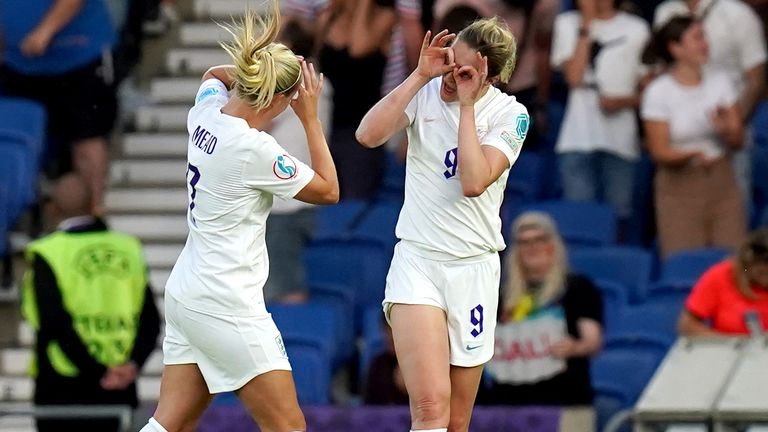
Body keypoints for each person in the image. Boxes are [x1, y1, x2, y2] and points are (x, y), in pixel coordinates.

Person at [137, 1, 339, 431]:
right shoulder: (253, 149)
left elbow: (213, 75)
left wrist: (256, 72)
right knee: (288, 427)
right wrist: (310, 118)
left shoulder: (205, 116)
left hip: (188, 292)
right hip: (226, 302)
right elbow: (329, 189)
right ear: (282, 99)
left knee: (169, 423)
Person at [356, 16, 528, 431]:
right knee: (431, 406)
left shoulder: (511, 114)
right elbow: (368, 135)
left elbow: (473, 181)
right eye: (450, 63)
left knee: (456, 420)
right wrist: (418, 75)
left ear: (490, 73)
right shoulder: (426, 90)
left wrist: (467, 106)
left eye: (465, 71)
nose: (451, 76)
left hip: (474, 269)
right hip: (419, 260)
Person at [21, 173, 161, 432]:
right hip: (120, 389)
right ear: (93, 203)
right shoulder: (128, 248)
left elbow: (54, 323)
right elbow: (150, 320)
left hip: (62, 392)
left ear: (52, 208)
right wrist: (130, 366)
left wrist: (98, 372)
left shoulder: (48, 252)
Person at [481, 211, 603, 432]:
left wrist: (575, 347)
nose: (532, 248)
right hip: (506, 409)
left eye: (540, 240)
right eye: (524, 243)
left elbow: (592, 340)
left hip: (563, 406)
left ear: (554, 245)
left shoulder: (577, 288)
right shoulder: (500, 296)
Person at [641, 16, 746, 258]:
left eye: (704, 37)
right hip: (679, 188)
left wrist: (725, 130)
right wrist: (693, 155)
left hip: (722, 182)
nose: (705, 44)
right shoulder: (659, 92)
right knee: (684, 262)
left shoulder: (721, 82)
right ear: (675, 48)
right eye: (697, 38)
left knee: (733, 263)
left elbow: (737, 141)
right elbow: (659, 151)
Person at [0, 0, 118, 214]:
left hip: (78, 55)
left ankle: (94, 210)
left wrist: (45, 30)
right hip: (17, 61)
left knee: (87, 138)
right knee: (14, 139)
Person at [653, 0, 767, 215]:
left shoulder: (737, 14)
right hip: (678, 142)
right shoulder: (665, 11)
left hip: (730, 142)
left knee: (733, 217)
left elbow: (756, 80)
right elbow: (662, 68)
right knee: (683, 219)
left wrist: (732, 126)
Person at [550, 0, 650, 235]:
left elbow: (650, 92)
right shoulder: (567, 23)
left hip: (621, 140)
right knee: (579, 221)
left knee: (619, 221)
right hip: (577, 137)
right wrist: (586, 23)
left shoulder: (637, 28)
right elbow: (574, 77)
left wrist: (622, 102)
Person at [263, 20, 334, 304]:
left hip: (285, 201)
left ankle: (292, 341)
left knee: (285, 284)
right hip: (302, 192)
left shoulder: (290, 85)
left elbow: (253, 122)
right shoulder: (320, 84)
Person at [678, 228, 768, 336]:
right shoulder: (720, 276)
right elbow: (687, 325)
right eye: (762, 271)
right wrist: (727, 344)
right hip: (727, 348)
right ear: (748, 263)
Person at [363, 313, 410, 405]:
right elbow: (369, 411)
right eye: (388, 328)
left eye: (398, 329)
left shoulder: (429, 365)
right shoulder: (378, 365)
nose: (392, 335)